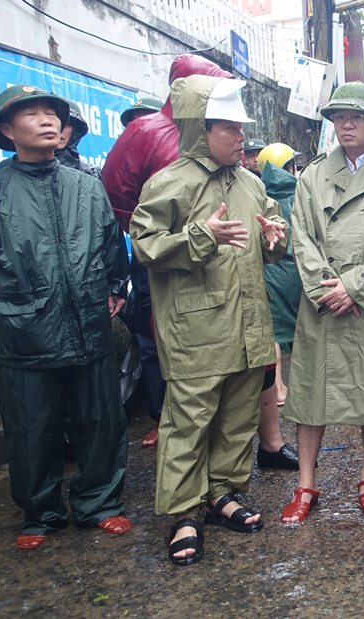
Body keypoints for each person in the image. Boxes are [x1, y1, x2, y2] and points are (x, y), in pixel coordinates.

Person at [0, 84, 132, 550]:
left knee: (100, 420)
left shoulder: (87, 187)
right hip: (27, 335)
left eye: (53, 113)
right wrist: (16, 310)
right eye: (31, 114)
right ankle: (41, 513)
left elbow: (112, 246)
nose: (48, 120)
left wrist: (113, 288)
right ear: (7, 130)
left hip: (89, 325)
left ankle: (100, 504)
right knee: (32, 428)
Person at [130, 75, 288, 565]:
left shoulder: (251, 182)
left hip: (248, 326)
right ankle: (182, 514)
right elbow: (144, 244)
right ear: (200, 128)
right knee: (189, 422)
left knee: (238, 418)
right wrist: (202, 235)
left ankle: (223, 493)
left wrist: (274, 237)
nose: (241, 138)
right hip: (196, 330)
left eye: (242, 129)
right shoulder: (169, 182)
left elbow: (270, 234)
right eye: (229, 128)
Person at [280, 82, 364, 523]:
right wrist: (329, 288)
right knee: (310, 393)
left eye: (356, 117)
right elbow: (300, 236)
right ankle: (305, 483)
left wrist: (355, 288)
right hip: (323, 303)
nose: (347, 124)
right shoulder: (312, 176)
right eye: (339, 117)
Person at [102, 54, 233, 448]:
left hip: (226, 251)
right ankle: (170, 422)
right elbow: (116, 190)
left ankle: (245, 436)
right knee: (166, 344)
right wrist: (153, 236)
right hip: (167, 259)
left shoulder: (222, 129)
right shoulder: (146, 131)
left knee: (236, 350)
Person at [254, 143, 303, 470]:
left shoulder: (256, 193)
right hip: (295, 272)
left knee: (270, 333)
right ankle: (295, 385)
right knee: (297, 333)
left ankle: (280, 387)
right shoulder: (300, 193)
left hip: (268, 272)